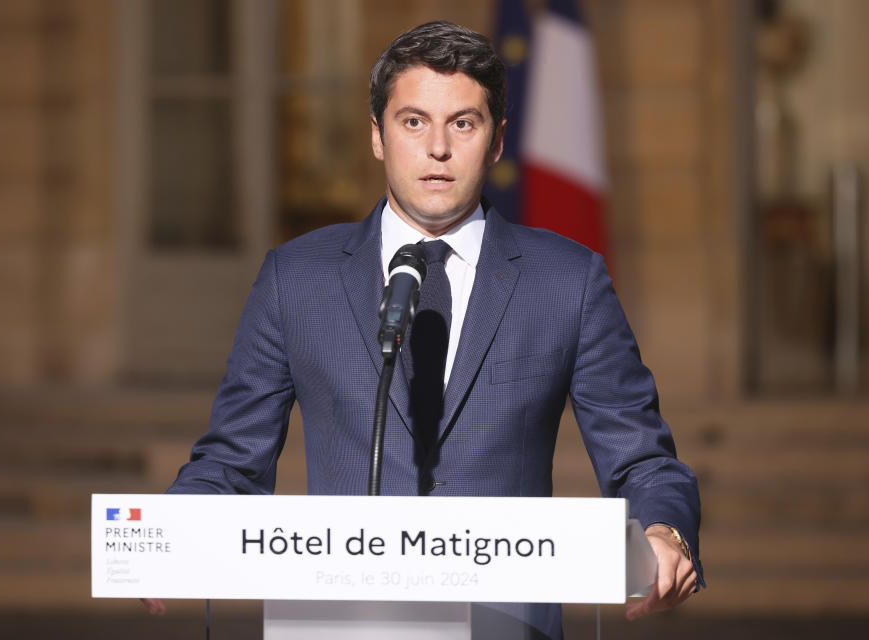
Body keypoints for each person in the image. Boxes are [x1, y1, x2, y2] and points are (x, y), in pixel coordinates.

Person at [145, 20, 703, 638]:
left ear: (496, 142)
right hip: (339, 622)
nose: (438, 147)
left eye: (463, 123)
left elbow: (643, 462)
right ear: (378, 137)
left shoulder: (568, 280)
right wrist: (170, 533)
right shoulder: (294, 277)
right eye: (413, 122)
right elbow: (231, 460)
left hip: (503, 622)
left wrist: (663, 531)